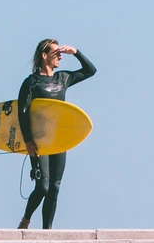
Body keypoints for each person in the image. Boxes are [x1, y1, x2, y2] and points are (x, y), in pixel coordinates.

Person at [17, 39, 96, 229]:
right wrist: (28, 140)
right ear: (45, 56)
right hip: (40, 140)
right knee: (42, 186)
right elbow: (22, 112)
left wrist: (75, 52)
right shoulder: (31, 82)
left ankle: (47, 232)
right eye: (56, 52)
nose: (60, 56)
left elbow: (90, 71)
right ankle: (26, 220)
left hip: (60, 139)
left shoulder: (63, 79)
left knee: (55, 187)